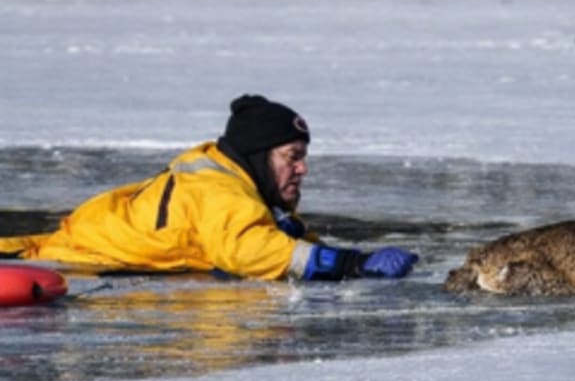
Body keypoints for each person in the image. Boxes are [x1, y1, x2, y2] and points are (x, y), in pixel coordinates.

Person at [0, 95, 418, 282]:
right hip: (75, 256)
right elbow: (248, 249)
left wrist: (347, 255)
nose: (303, 169)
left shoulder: (233, 184)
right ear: (258, 156)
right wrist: (352, 266)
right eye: (291, 157)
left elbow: (274, 236)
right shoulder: (220, 191)